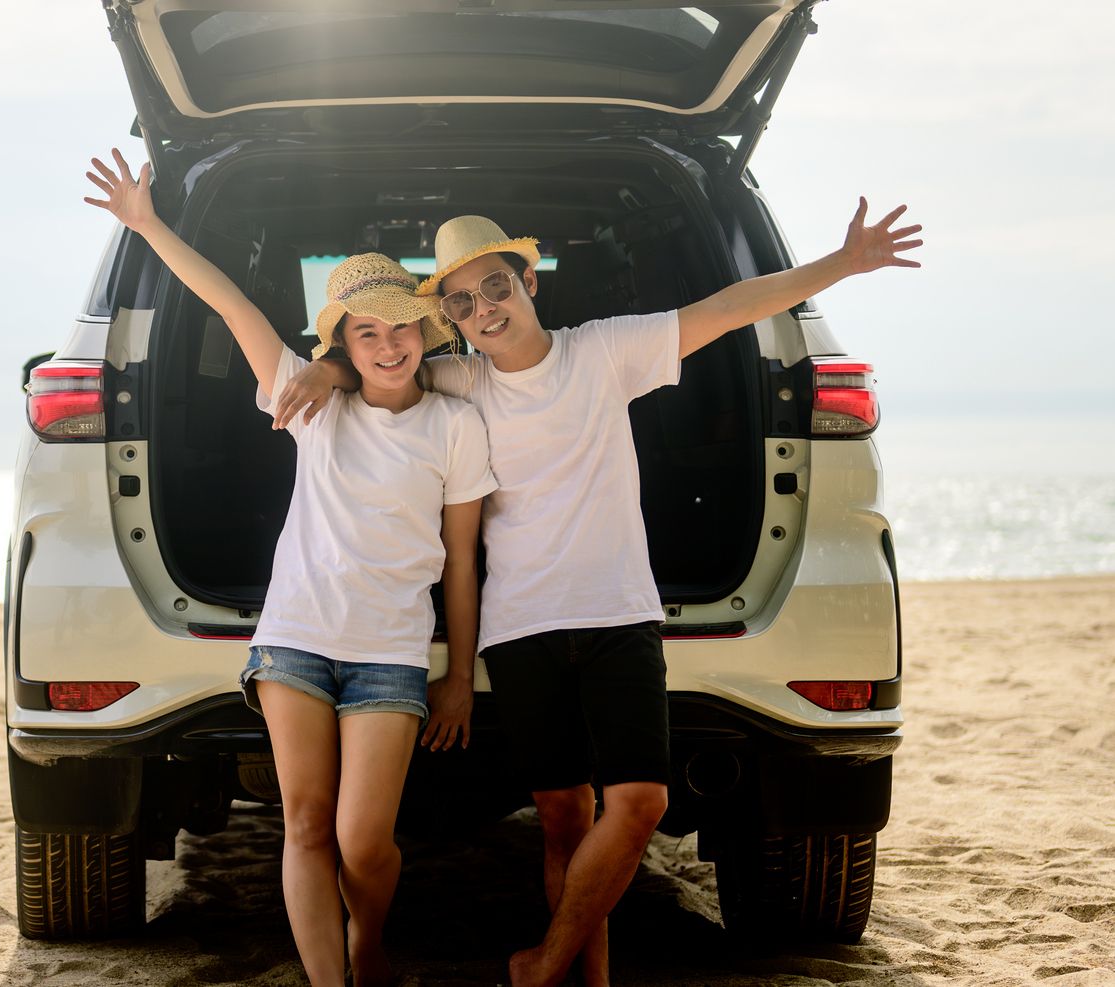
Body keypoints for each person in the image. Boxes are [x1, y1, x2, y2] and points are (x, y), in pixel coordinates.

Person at [276, 202, 923, 986]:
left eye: (495, 287)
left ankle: (545, 961)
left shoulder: (605, 350)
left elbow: (725, 311)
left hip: (618, 611)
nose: (484, 309)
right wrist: (325, 367)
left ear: (527, 281)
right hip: (519, 624)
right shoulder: (458, 378)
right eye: (462, 302)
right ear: (450, 318)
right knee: (562, 818)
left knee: (641, 802)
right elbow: (381, 362)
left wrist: (840, 264)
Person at [82, 148, 498, 987]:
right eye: (365, 333)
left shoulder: (454, 424)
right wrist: (146, 222)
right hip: (294, 644)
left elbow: (461, 559)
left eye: (401, 327)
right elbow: (228, 299)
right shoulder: (309, 401)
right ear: (340, 341)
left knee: (363, 840)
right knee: (305, 825)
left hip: (389, 653)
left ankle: (369, 942)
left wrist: (456, 673)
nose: (388, 345)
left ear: (425, 331)